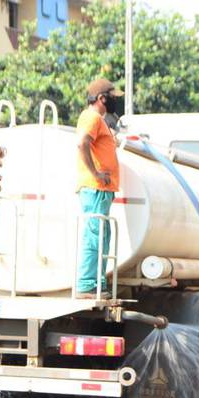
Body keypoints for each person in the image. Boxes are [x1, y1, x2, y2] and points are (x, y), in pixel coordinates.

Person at [75, 78, 123, 299]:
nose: (116, 102)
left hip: (101, 190)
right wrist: (95, 173)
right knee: (95, 234)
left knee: (102, 234)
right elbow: (82, 143)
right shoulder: (91, 117)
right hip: (95, 188)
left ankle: (97, 283)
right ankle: (87, 285)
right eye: (113, 98)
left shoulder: (100, 120)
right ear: (102, 98)